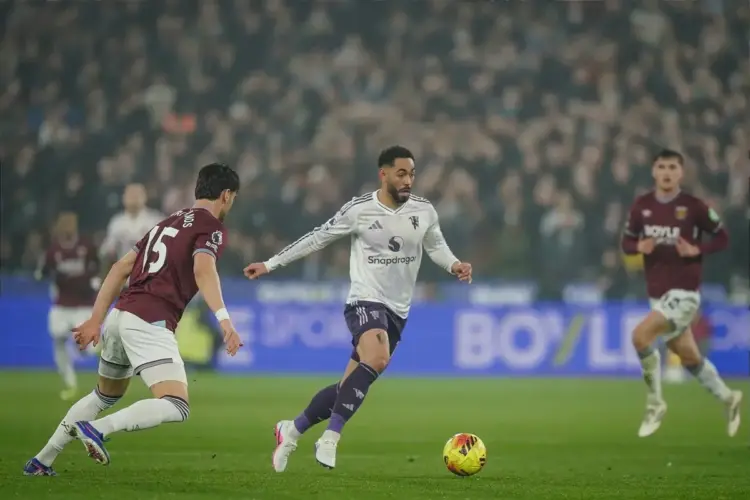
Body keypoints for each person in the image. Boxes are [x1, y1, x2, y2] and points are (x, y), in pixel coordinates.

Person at [244, 146, 473, 471]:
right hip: (364, 300)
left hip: (398, 311)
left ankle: (291, 430)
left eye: (411, 174)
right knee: (377, 358)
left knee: (347, 387)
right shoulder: (360, 210)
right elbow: (317, 238)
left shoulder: (424, 211)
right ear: (384, 174)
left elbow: (436, 246)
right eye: (401, 174)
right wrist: (271, 263)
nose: (408, 180)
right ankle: (330, 438)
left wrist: (454, 265)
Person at [24, 163, 243, 476]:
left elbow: (119, 268)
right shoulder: (211, 226)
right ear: (226, 195)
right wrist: (225, 321)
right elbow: (203, 269)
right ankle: (98, 430)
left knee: (104, 395)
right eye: (233, 198)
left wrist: (96, 320)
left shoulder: (165, 223)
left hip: (120, 315)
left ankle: (41, 461)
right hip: (150, 319)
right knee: (176, 404)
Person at [621, 149, 741, 438]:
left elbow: (723, 238)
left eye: (672, 167)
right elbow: (627, 243)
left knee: (640, 336)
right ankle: (728, 397)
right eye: (662, 167)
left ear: (681, 173)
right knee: (689, 358)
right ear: (654, 171)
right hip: (657, 294)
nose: (667, 172)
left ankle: (655, 404)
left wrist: (697, 249)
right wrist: (639, 247)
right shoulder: (641, 206)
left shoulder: (694, 206)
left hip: (685, 293)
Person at [35, 212, 100, 401]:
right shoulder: (53, 250)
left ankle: (97, 347)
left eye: (70, 223)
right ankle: (70, 383)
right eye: (64, 224)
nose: (67, 227)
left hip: (83, 304)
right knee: (58, 338)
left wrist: (95, 281)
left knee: (86, 346)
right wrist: (43, 274)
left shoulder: (86, 246)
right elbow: (42, 272)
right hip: (62, 304)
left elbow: (97, 266)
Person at [99, 183, 163, 265]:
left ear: (145, 197)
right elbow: (105, 251)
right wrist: (108, 251)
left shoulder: (156, 220)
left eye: (137, 195)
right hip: (124, 268)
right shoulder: (116, 222)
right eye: (130, 195)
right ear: (123, 198)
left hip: (149, 268)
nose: (133, 198)